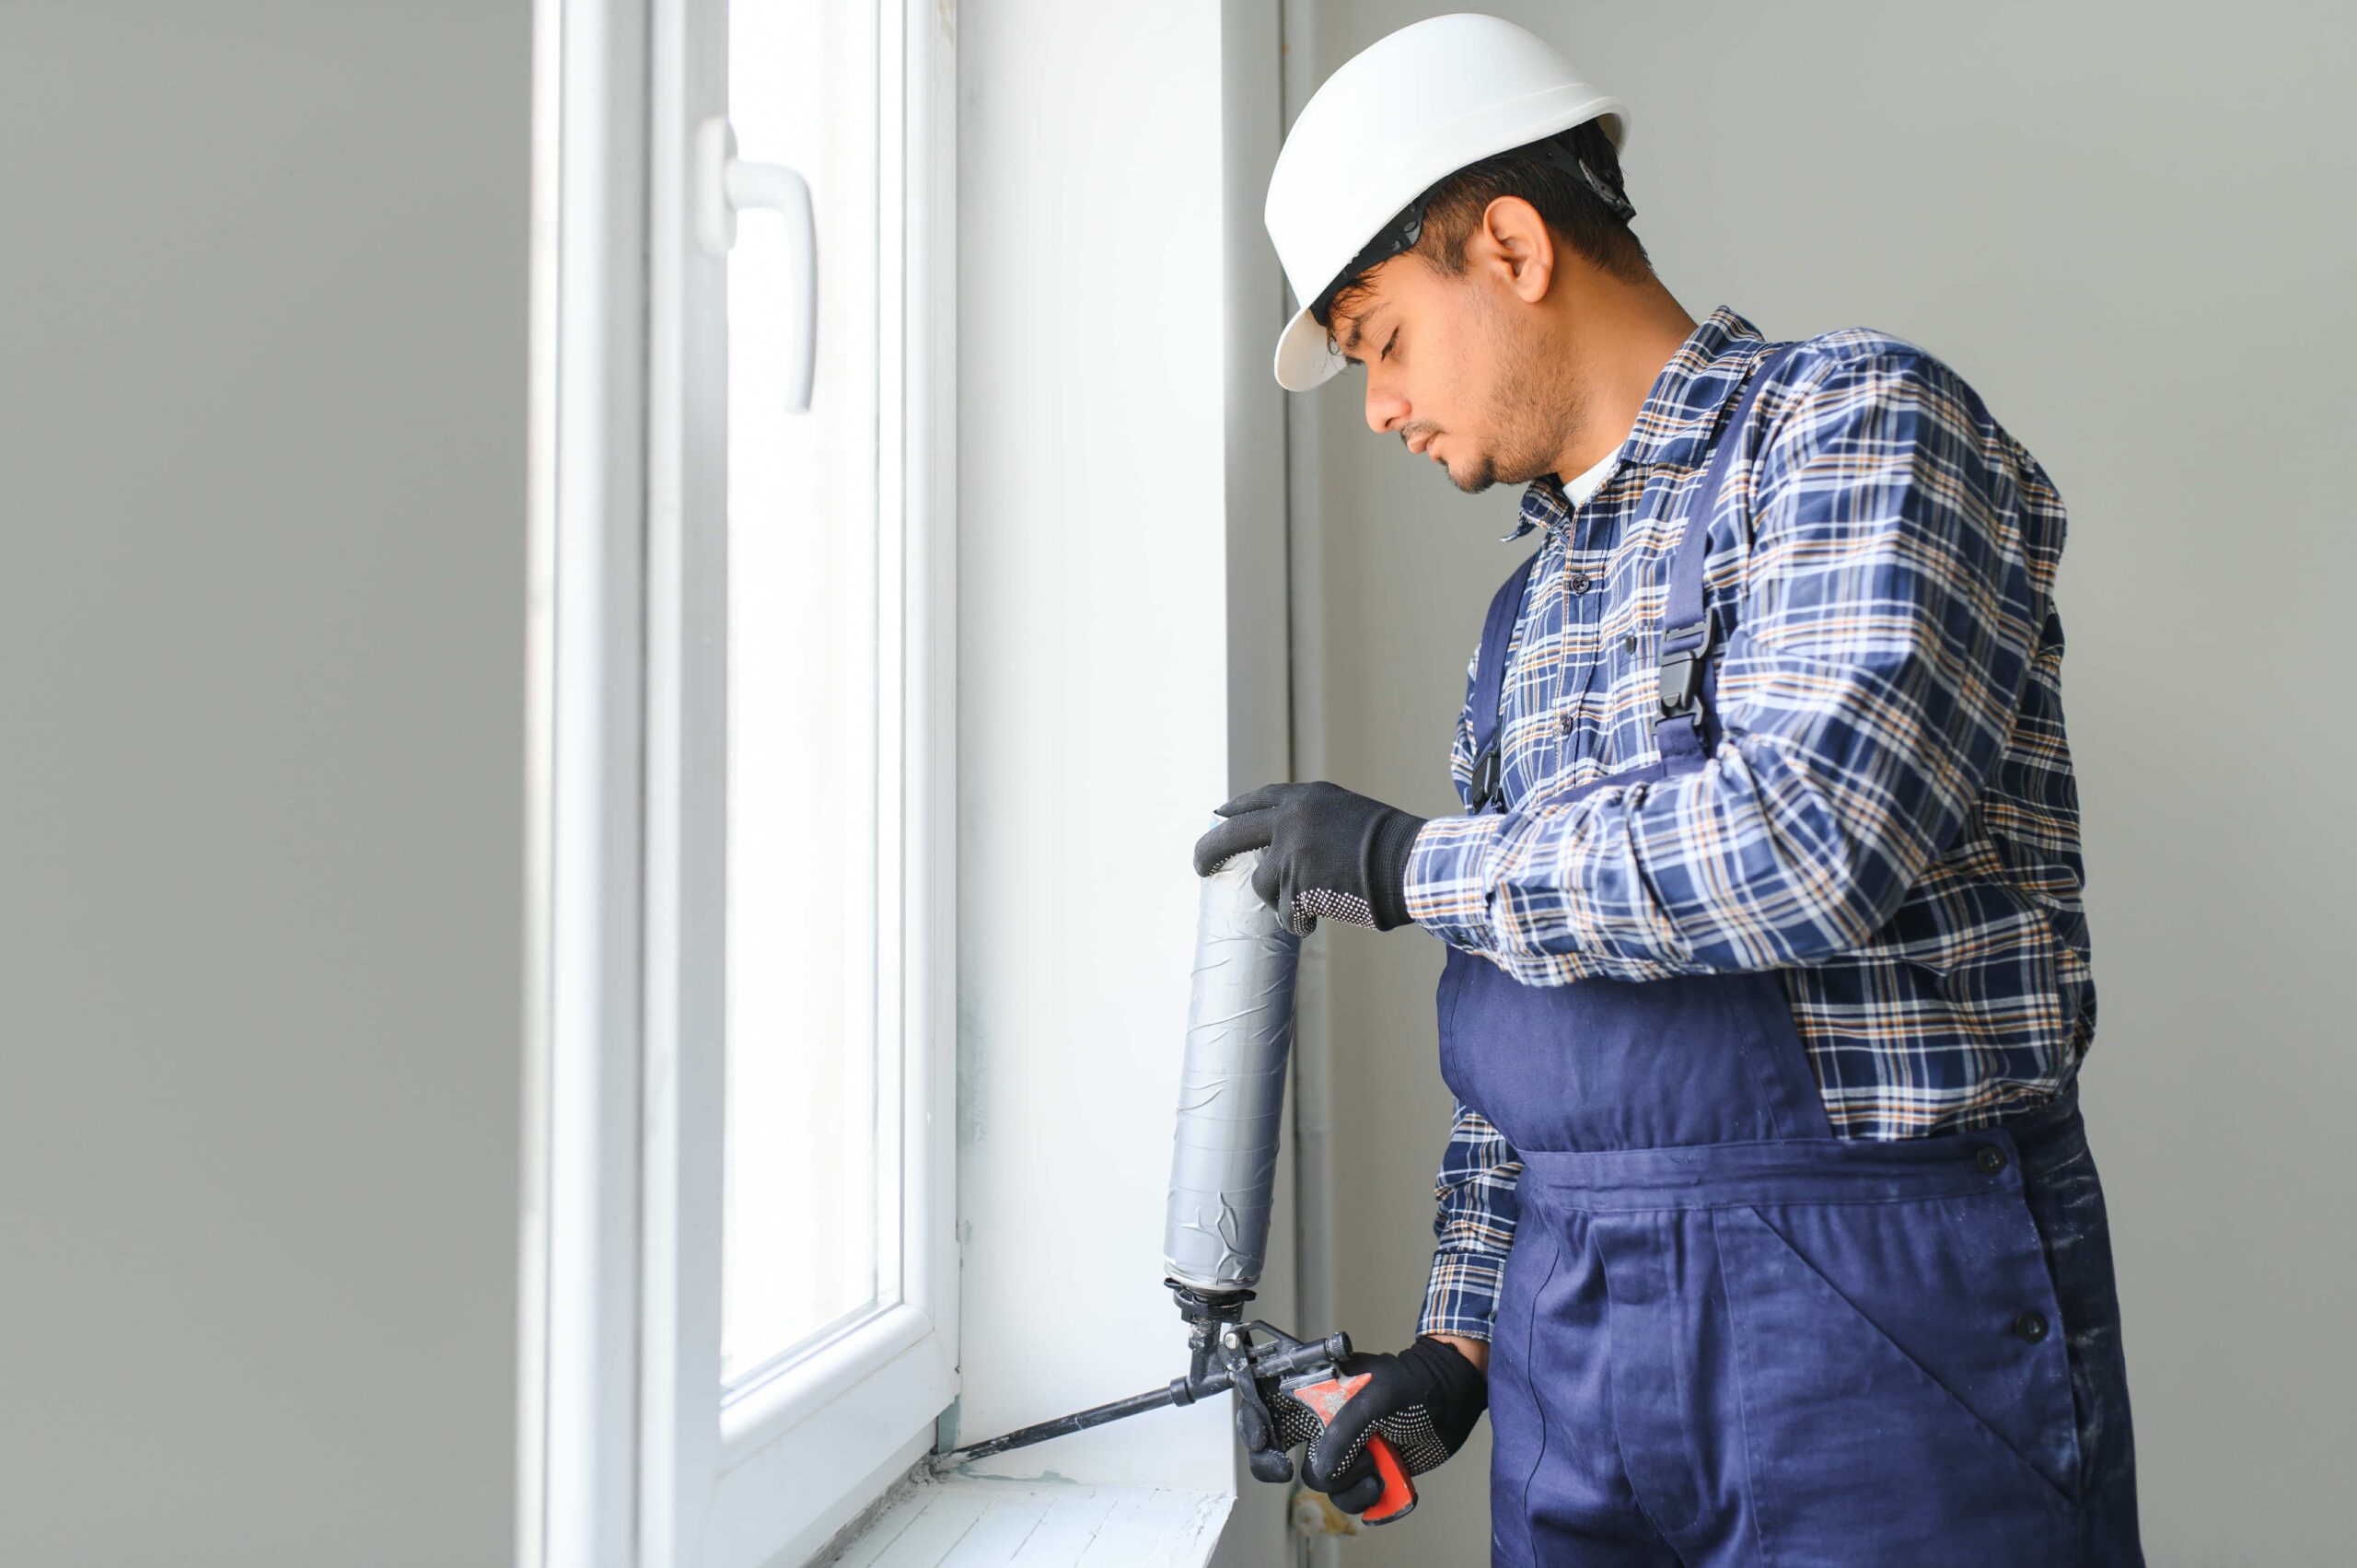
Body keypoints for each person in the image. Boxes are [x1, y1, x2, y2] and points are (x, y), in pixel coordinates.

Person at [1190, 15, 2141, 1565]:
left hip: (1877, 1325)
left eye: (1380, 341)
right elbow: (1528, 1042)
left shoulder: (1853, 432)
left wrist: (1403, 864)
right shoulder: (1528, 618)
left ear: (1506, 245)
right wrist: (1461, 1347)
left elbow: (1810, 841)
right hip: (1575, 1348)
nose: (1379, 408)